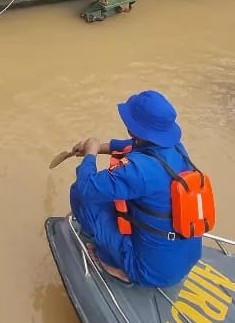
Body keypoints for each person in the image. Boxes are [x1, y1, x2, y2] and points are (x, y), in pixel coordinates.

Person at [68, 90, 205, 288]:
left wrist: (90, 155)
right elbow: (129, 146)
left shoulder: (138, 171)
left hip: (150, 271)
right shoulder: (175, 148)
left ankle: (120, 267)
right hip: (184, 260)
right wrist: (97, 147)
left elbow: (85, 188)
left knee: (83, 197)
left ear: (134, 128)